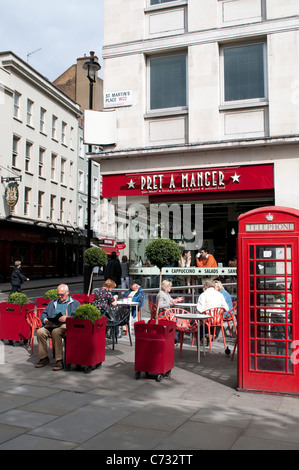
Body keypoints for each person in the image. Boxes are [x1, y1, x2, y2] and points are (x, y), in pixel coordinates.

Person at [35, 284, 80, 371]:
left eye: (62, 295)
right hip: (52, 324)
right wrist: (45, 320)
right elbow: (44, 314)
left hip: (65, 325)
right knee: (40, 332)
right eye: (58, 294)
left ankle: (59, 360)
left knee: (56, 332)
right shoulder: (53, 302)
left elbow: (78, 316)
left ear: (67, 293)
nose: (60, 296)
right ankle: (44, 358)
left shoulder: (75, 303)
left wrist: (67, 318)